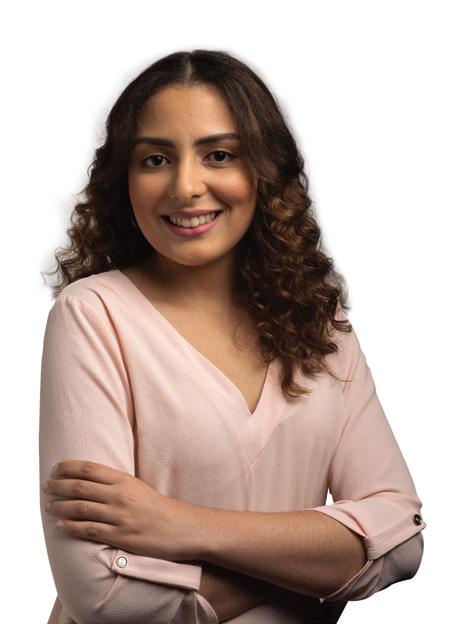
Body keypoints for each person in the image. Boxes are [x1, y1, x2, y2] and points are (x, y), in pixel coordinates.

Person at [39, 49, 426, 624]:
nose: (185, 186)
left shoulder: (322, 325)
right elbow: (105, 599)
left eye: (219, 155)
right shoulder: (93, 315)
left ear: (264, 170)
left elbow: (403, 541)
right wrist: (319, 567)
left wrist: (180, 525)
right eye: (155, 159)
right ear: (125, 178)